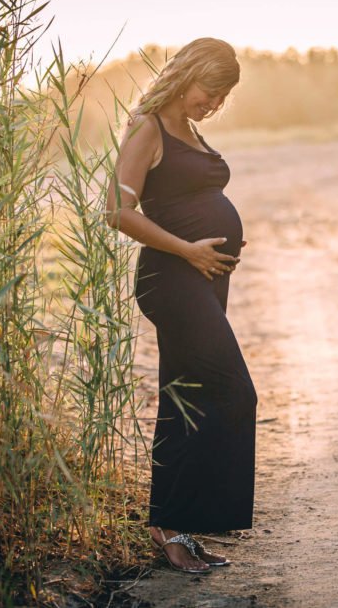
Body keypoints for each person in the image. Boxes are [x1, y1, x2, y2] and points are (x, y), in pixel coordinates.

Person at [106, 38, 258, 574]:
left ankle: (174, 531)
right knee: (234, 392)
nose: (212, 104)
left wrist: (217, 240)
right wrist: (190, 249)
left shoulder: (190, 130)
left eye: (222, 98)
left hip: (202, 279)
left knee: (184, 402)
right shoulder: (147, 127)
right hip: (171, 278)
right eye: (209, 91)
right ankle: (183, 521)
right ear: (188, 73)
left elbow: (192, 200)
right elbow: (117, 212)